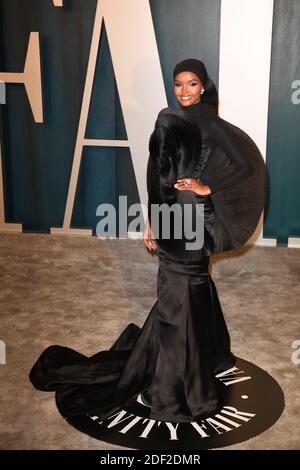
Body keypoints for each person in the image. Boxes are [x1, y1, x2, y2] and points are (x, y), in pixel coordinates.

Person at [29, 59, 266, 425]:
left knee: (184, 288)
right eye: (178, 84)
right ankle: (194, 361)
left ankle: (174, 388)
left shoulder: (211, 123)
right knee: (181, 289)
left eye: (191, 84)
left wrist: (208, 187)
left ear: (203, 86)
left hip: (196, 219)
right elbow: (157, 174)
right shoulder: (167, 119)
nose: (185, 91)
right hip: (171, 215)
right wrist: (153, 219)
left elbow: (246, 167)